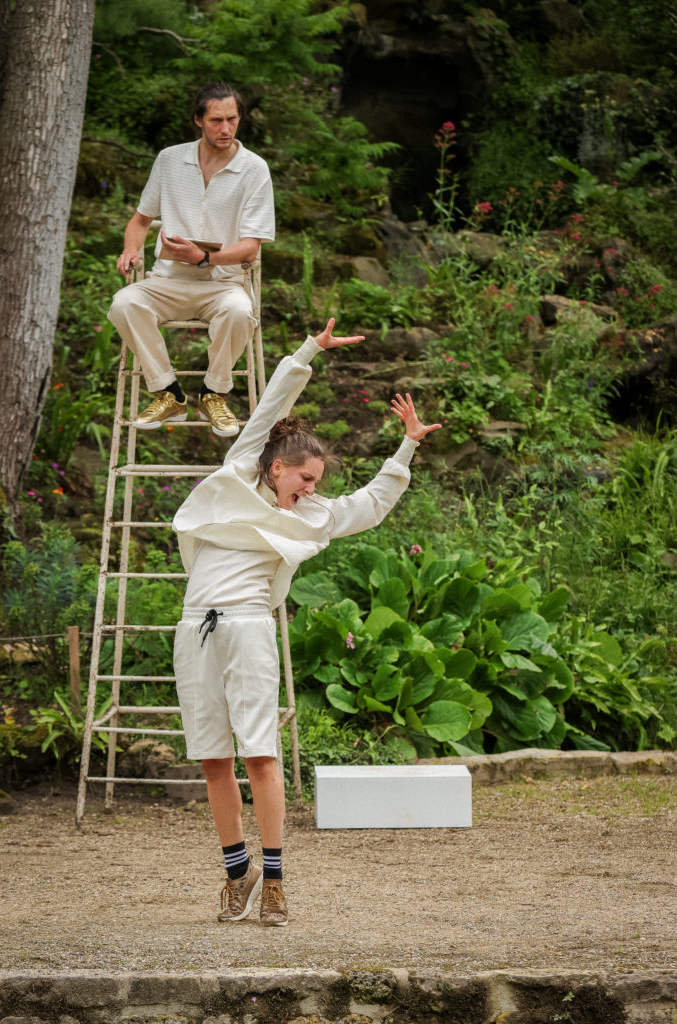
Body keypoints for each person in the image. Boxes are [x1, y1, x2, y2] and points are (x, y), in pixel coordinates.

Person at [171, 317, 441, 927]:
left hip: (246, 624)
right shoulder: (239, 473)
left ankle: (273, 879)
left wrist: (408, 445)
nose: (312, 489)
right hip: (195, 626)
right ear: (278, 468)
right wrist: (308, 351)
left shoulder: (312, 514)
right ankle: (234, 869)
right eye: (306, 478)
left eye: (317, 483)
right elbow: (269, 407)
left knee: (258, 752)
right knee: (213, 756)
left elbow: (370, 506)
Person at [108, 82, 274, 438]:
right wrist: (130, 249)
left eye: (232, 119)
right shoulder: (170, 159)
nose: (226, 129)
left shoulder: (255, 169)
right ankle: (169, 393)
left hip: (222, 284)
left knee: (240, 311)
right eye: (216, 120)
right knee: (124, 303)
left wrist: (204, 257)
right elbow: (140, 220)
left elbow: (250, 247)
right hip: (166, 279)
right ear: (198, 120)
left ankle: (214, 393)